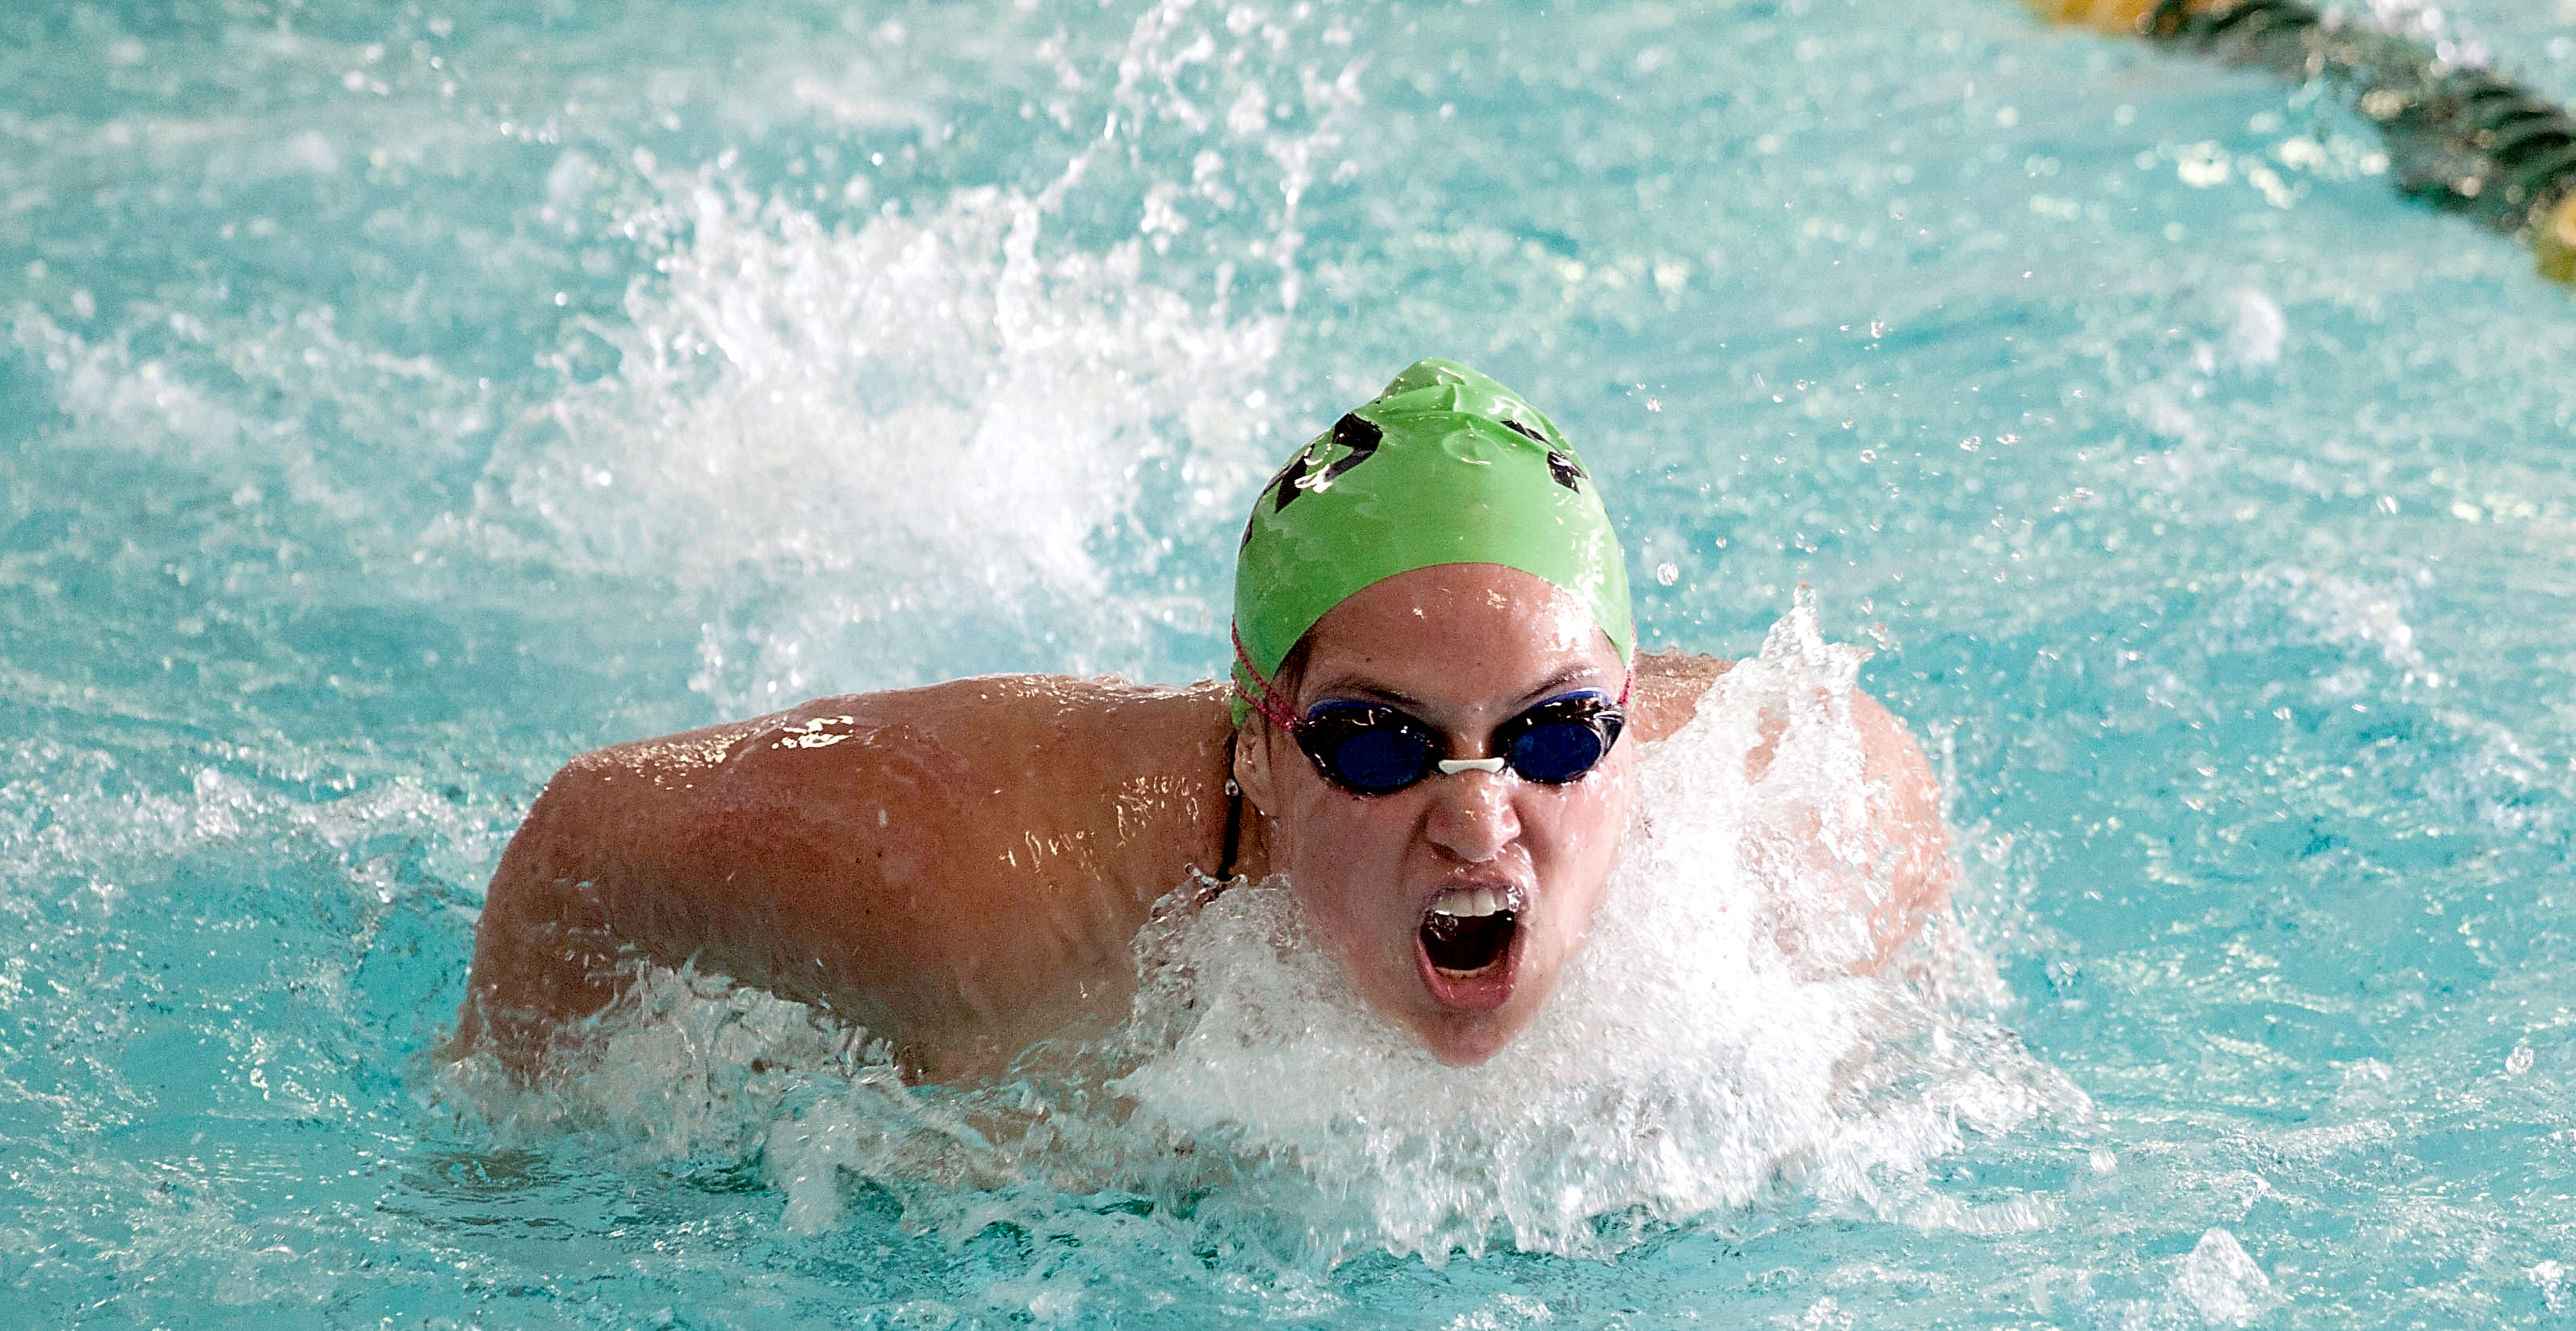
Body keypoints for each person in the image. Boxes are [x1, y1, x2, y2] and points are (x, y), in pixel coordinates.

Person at [457, 359, 1949, 1084]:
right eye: (1375, 741)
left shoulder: (1796, 818)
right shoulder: (990, 888)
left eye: (1552, 736)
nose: (1480, 817)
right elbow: (589, 839)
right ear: (1256, 737)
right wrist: (521, 1175)